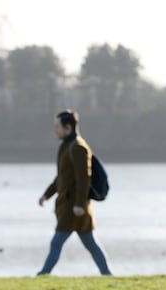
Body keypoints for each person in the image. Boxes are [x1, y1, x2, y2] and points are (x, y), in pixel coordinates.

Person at [36, 109, 113, 276]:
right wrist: (46, 195)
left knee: (56, 242)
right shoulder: (66, 146)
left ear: (68, 128)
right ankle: (107, 275)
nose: (55, 130)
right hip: (70, 206)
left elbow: (84, 178)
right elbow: (62, 177)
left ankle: (43, 274)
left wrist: (79, 204)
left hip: (74, 208)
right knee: (91, 244)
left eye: (57, 126)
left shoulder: (78, 147)